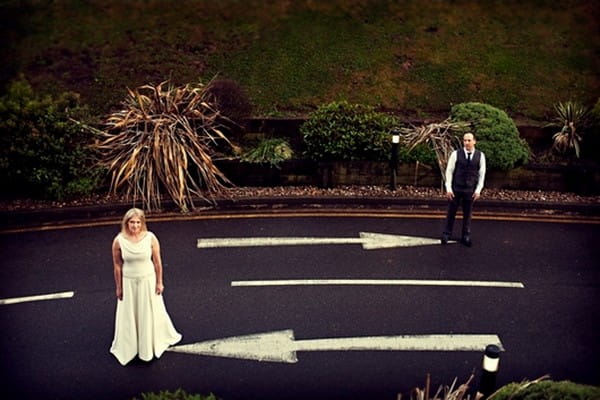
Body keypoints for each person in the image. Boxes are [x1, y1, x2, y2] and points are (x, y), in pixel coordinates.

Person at [110, 208, 182, 365]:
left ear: (142, 223)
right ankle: (131, 346)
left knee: (148, 311)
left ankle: (148, 346)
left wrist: (159, 282)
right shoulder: (118, 241)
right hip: (129, 282)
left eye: (137, 222)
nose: (135, 226)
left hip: (148, 281)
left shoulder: (151, 238)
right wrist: (119, 287)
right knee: (131, 313)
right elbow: (117, 266)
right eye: (131, 222)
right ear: (126, 223)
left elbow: (157, 262)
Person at [441, 133, 486, 247]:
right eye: (465, 140)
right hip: (456, 188)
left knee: (467, 214)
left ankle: (466, 235)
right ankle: (447, 233)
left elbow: (481, 174)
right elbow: (449, 171)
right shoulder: (456, 154)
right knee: (451, 212)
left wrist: (478, 190)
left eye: (469, 140)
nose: (466, 143)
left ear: (474, 141)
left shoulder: (480, 156)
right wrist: (448, 188)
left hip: (470, 190)